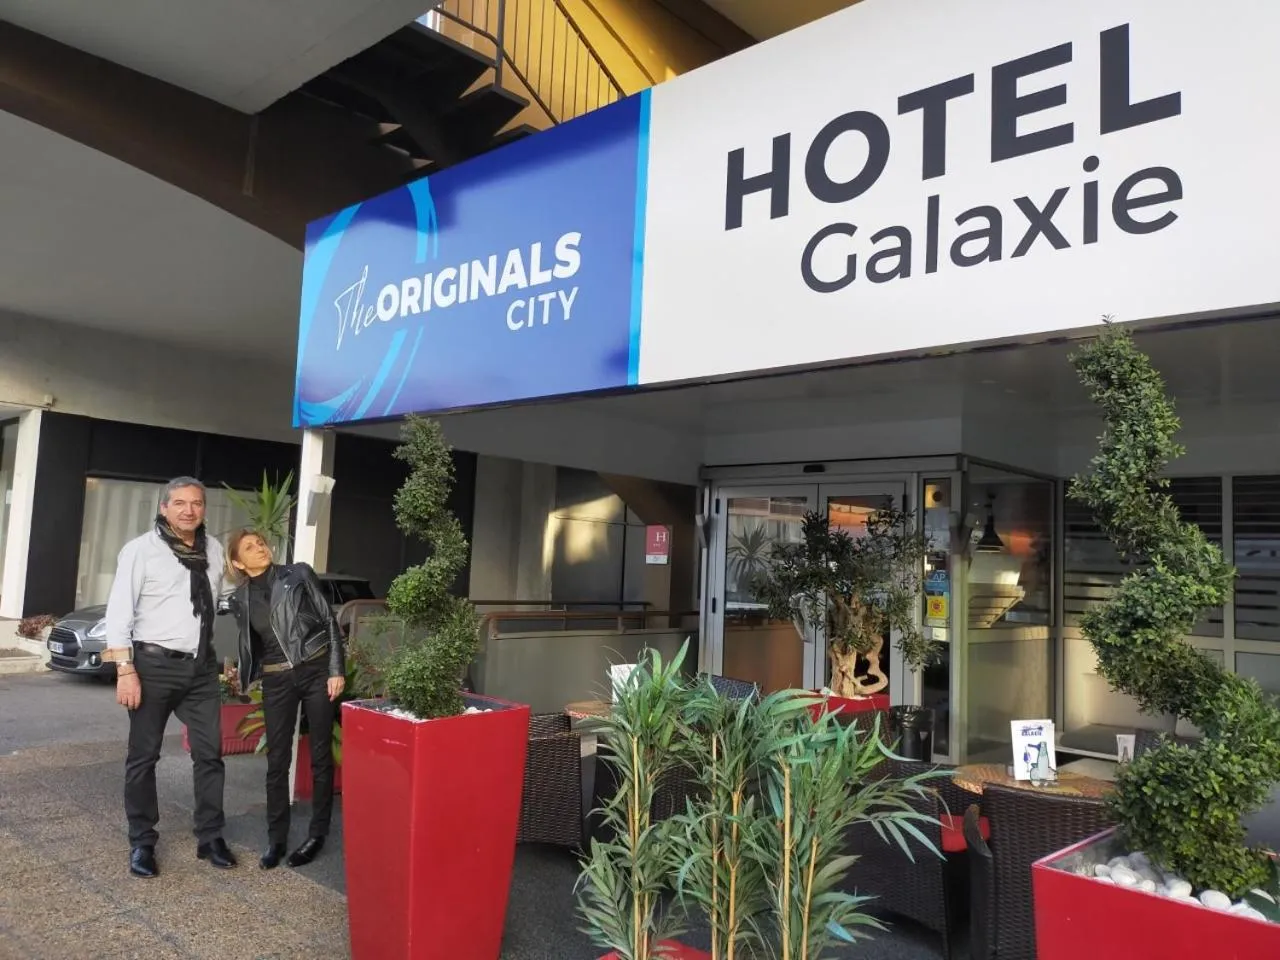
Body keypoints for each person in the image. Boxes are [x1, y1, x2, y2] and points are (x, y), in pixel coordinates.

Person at [103, 476, 235, 879]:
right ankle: (142, 841)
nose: (188, 510)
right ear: (164, 508)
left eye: (196, 503)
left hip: (201, 668)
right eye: (179, 503)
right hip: (153, 666)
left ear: (204, 509)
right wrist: (125, 670)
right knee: (143, 757)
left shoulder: (213, 549)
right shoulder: (141, 551)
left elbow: (221, 600)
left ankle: (210, 836)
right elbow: (119, 612)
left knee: (210, 753)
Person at [223, 528, 345, 869]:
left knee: (320, 755)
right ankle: (276, 839)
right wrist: (250, 677)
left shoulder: (298, 574)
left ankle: (317, 833)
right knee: (277, 761)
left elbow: (329, 620)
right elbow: (253, 643)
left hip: (316, 670)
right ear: (238, 563)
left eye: (260, 543)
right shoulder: (239, 599)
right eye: (250, 547)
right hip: (277, 680)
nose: (259, 548)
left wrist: (336, 669)